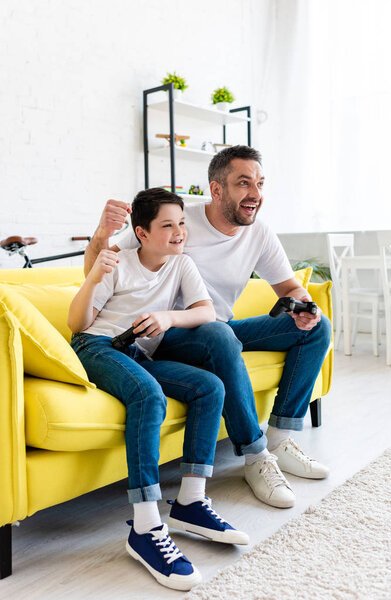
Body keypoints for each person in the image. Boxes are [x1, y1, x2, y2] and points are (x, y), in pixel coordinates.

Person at [84, 145, 332, 512]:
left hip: (219, 332)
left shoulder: (258, 233)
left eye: (260, 183)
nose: (256, 194)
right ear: (216, 190)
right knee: (220, 333)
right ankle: (255, 455)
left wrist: (304, 306)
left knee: (317, 327)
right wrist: (100, 233)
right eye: (244, 183)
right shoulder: (176, 221)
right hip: (164, 335)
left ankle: (280, 438)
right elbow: (97, 269)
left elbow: (288, 288)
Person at [69, 188, 249, 592]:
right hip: (98, 346)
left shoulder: (181, 264)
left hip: (139, 352)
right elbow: (77, 324)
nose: (179, 232)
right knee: (149, 395)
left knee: (210, 387)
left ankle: (190, 501)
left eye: (181, 223)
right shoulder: (118, 262)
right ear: (142, 233)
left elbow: (205, 311)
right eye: (167, 225)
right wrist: (96, 275)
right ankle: (146, 527)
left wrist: (169, 318)